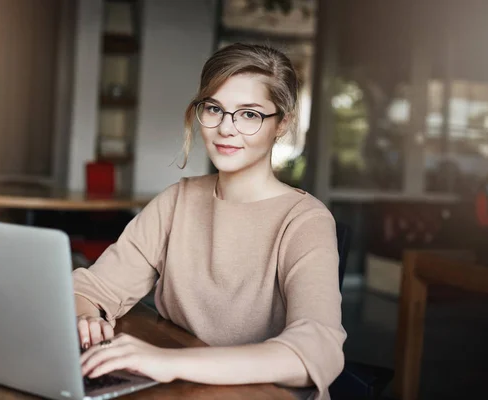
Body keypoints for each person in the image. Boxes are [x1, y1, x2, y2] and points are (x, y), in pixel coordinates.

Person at [73, 43, 345, 400]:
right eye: (215, 109)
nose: (226, 128)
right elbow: (90, 288)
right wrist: (86, 318)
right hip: (189, 391)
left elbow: (317, 350)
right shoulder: (177, 201)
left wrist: (169, 363)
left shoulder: (305, 220)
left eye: (249, 114)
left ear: (282, 124)